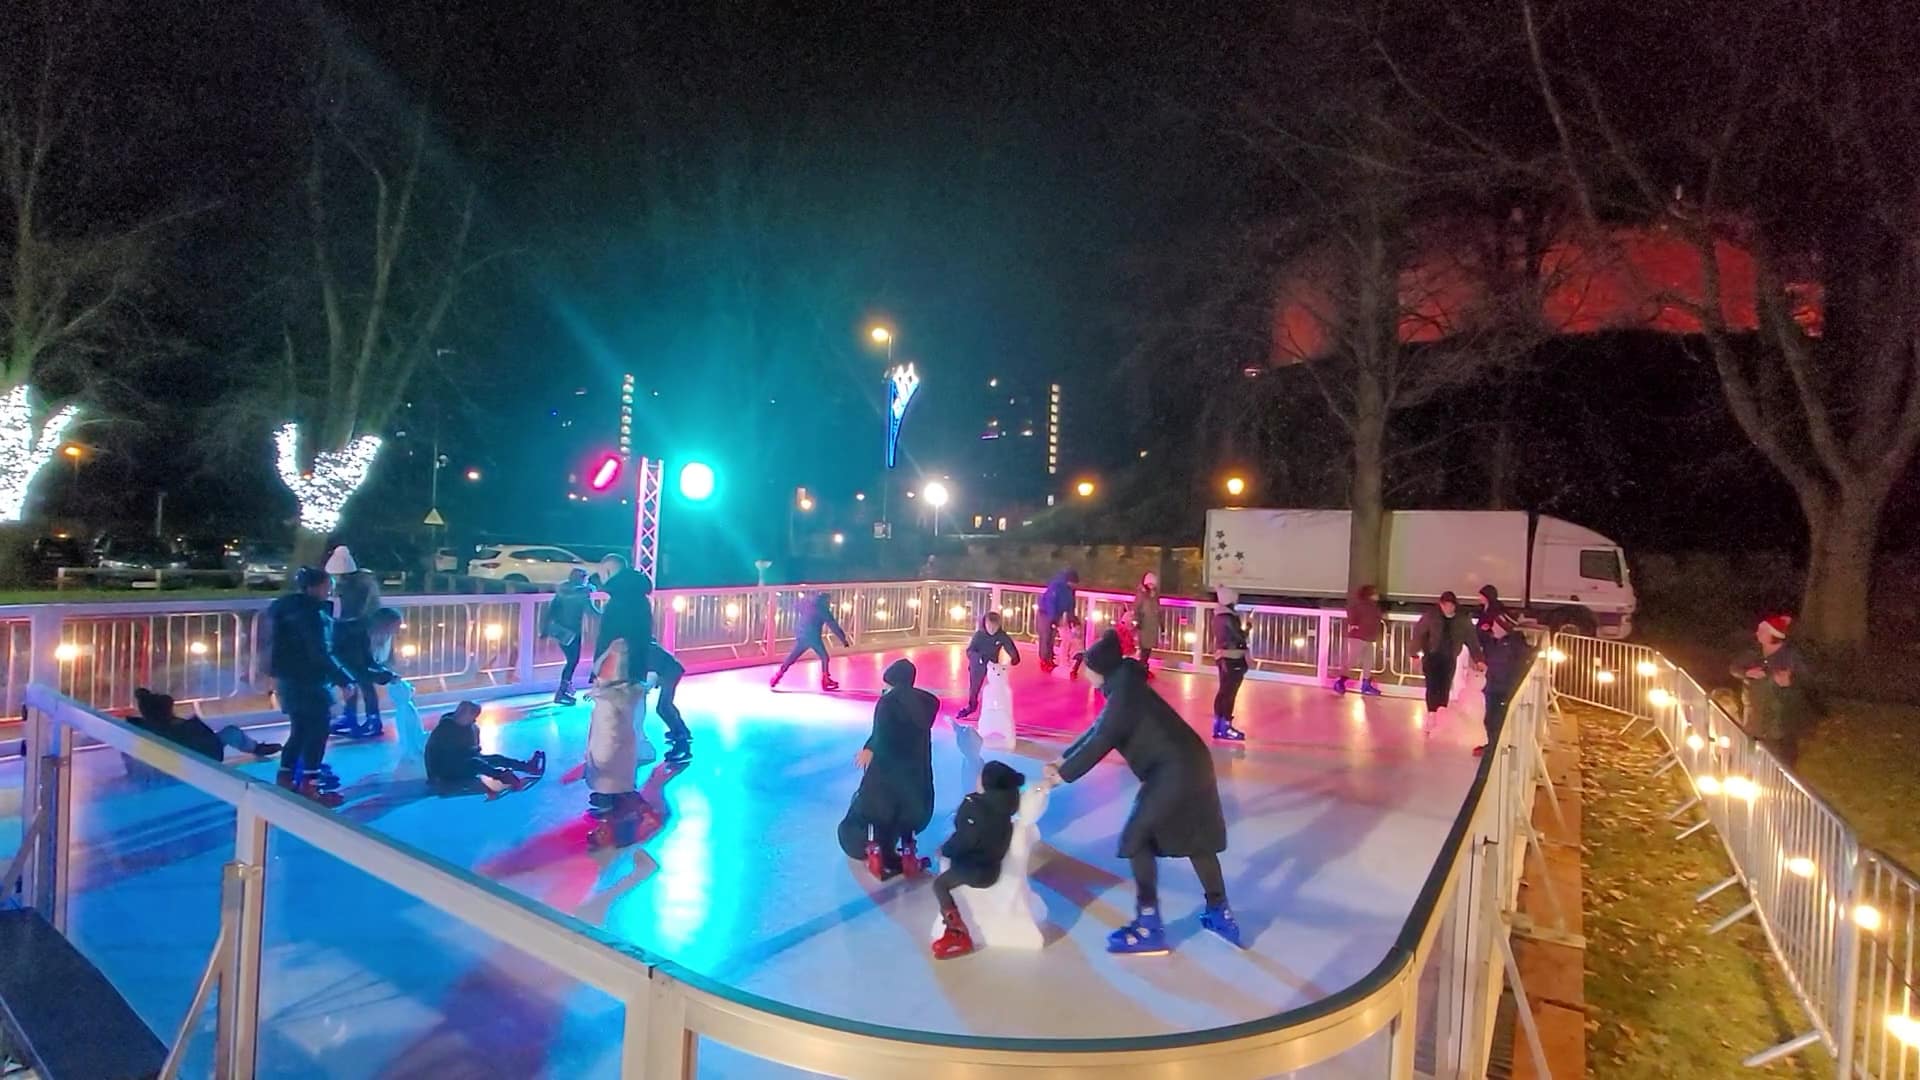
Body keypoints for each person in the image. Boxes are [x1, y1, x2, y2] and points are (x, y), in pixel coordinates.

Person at [1046, 631, 1238, 953]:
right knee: (1195, 838)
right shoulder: (1125, 686)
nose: (1084, 672)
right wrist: (1063, 758)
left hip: (1172, 771)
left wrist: (1061, 776)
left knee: (1135, 839)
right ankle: (1220, 911)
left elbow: (1101, 740)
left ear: (1099, 669)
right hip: (1192, 763)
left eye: (1087, 666)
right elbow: (1098, 729)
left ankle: (1149, 925)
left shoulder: (1122, 695)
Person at [838, 658, 938, 881]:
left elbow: (882, 735)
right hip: (916, 787)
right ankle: (908, 850)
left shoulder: (887, 704)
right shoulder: (925, 705)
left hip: (885, 785)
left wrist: (869, 749)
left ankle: (874, 852)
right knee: (904, 815)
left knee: (866, 818)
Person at [266, 567, 358, 807]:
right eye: (327, 586)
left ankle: (285, 778)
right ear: (315, 587)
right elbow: (319, 652)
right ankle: (310, 786)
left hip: (288, 678)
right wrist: (344, 678)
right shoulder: (312, 614)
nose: (330, 591)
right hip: (309, 681)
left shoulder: (285, 610)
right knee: (316, 733)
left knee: (299, 730)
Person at [931, 760, 1028, 960]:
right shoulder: (1006, 808)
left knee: (940, 885)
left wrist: (945, 850)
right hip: (991, 867)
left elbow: (964, 838)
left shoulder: (976, 807)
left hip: (974, 870)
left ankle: (957, 932)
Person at [1732, 613, 1811, 767]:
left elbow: (1807, 682)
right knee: (1751, 756)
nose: (1757, 634)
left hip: (1779, 722)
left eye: (1762, 631)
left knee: (1779, 762)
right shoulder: (1753, 653)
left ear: (1773, 635)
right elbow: (1734, 668)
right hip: (1753, 717)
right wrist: (1746, 673)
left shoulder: (1791, 657)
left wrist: (1789, 682)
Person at [425, 700, 547, 797]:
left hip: (465, 761)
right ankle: (501, 775)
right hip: (447, 769)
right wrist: (433, 776)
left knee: (494, 758)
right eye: (472, 716)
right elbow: (430, 752)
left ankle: (527, 766)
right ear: (463, 713)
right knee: (475, 762)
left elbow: (473, 750)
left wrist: (478, 754)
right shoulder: (444, 729)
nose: (474, 719)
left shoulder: (471, 727)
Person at [131, 688, 281, 763]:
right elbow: (206, 741)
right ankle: (256, 748)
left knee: (229, 733)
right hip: (200, 757)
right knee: (231, 732)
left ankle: (256, 748)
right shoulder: (179, 727)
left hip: (187, 757)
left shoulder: (141, 727)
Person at [331, 607, 402, 738]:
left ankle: (359, 719)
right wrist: (385, 676)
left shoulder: (363, 631)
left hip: (340, 663)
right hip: (331, 664)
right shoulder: (356, 634)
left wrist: (386, 673)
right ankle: (367, 720)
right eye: (395, 627)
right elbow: (359, 668)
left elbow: (366, 661)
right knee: (357, 682)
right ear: (385, 624)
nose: (396, 632)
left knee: (359, 684)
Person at [1412, 591, 1485, 716]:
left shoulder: (1462, 620)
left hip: (1449, 658)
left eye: (1451, 605)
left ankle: (1440, 713)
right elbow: (1419, 634)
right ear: (1440, 604)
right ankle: (1432, 713)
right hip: (1432, 656)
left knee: (1444, 687)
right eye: (1445, 605)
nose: (1448, 608)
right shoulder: (1431, 616)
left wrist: (1479, 659)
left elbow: (1472, 640)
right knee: (1432, 686)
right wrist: (1414, 654)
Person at [1476, 615, 1536, 756]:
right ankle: (1492, 746)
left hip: (1501, 690)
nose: (1493, 628)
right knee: (1490, 720)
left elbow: (1513, 668)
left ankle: (1495, 749)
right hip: (1494, 688)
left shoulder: (1512, 645)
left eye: (1496, 625)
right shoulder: (1500, 642)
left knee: (1496, 721)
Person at [771, 592, 852, 691]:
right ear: (825, 601)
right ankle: (825, 680)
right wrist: (843, 639)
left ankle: (777, 676)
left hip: (802, 635)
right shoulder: (823, 611)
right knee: (824, 657)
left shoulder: (808, 605)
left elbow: (797, 606)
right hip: (814, 638)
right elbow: (833, 626)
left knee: (792, 657)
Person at [592, 553, 654, 671]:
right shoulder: (639, 596)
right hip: (638, 660)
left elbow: (609, 638)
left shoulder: (618, 601)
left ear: (607, 572)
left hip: (619, 666)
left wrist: (598, 668)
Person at [956, 611, 1020, 721]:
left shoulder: (1001, 635)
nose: (992, 629)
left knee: (996, 687)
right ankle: (971, 706)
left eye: (995, 627)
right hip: (978, 665)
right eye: (990, 626)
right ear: (985, 624)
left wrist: (1015, 658)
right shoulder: (979, 635)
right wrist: (978, 658)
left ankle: (996, 708)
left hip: (993, 665)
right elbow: (970, 650)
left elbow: (1010, 647)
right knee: (974, 688)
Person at [545, 567, 594, 705]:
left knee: (571, 661)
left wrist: (545, 628)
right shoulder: (583, 593)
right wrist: (607, 616)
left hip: (561, 630)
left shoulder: (562, 591)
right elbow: (591, 612)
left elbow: (551, 610)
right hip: (573, 632)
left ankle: (565, 689)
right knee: (573, 661)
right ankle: (562, 692)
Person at [1209, 586, 1249, 741]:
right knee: (1230, 693)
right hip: (1233, 658)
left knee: (1223, 691)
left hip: (1223, 657)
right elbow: (1239, 638)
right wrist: (1247, 630)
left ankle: (1218, 726)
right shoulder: (1229, 617)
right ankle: (1226, 726)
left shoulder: (1218, 616)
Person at [646, 641, 693, 766]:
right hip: (672, 670)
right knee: (666, 706)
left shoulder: (643, 648)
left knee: (663, 707)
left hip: (671, 672)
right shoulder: (645, 643)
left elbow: (652, 670)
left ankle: (682, 745)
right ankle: (683, 731)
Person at [1333, 584, 1385, 696]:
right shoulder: (1360, 605)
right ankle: (1340, 681)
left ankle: (1366, 684)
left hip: (1370, 638)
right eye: (1375, 593)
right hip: (1359, 637)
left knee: (1368, 662)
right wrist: (1354, 623)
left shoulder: (1374, 606)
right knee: (1352, 660)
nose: (1377, 595)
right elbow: (1351, 612)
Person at [1036, 567, 1080, 672]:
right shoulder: (1056, 586)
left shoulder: (1070, 590)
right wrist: (1053, 619)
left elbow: (1071, 606)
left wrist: (1072, 618)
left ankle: (1050, 660)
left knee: (1051, 638)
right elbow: (1051, 603)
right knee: (1045, 637)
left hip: (1057, 614)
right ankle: (1044, 661)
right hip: (1045, 613)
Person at [1133, 572, 1161, 673]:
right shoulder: (1142, 594)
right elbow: (1137, 608)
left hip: (1152, 624)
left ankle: (1144, 665)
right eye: (1150, 584)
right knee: (1144, 646)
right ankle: (1142, 666)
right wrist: (1137, 620)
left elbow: (1158, 610)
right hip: (1144, 624)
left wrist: (1160, 624)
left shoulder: (1155, 596)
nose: (1151, 586)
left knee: (1148, 647)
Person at [1475, 584, 1511, 649]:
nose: (1479, 598)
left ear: (1487, 597)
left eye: (1482, 596)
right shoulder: (1482, 608)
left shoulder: (1496, 609)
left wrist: (1488, 627)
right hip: (1483, 639)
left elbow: (1498, 623)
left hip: (1494, 642)